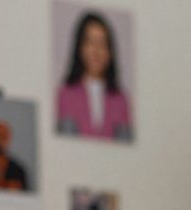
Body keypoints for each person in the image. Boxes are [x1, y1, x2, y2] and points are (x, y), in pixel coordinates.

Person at [57, 12, 134, 142]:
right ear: (80, 47)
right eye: (90, 42)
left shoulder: (121, 99)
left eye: (102, 43)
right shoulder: (65, 94)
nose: (96, 50)